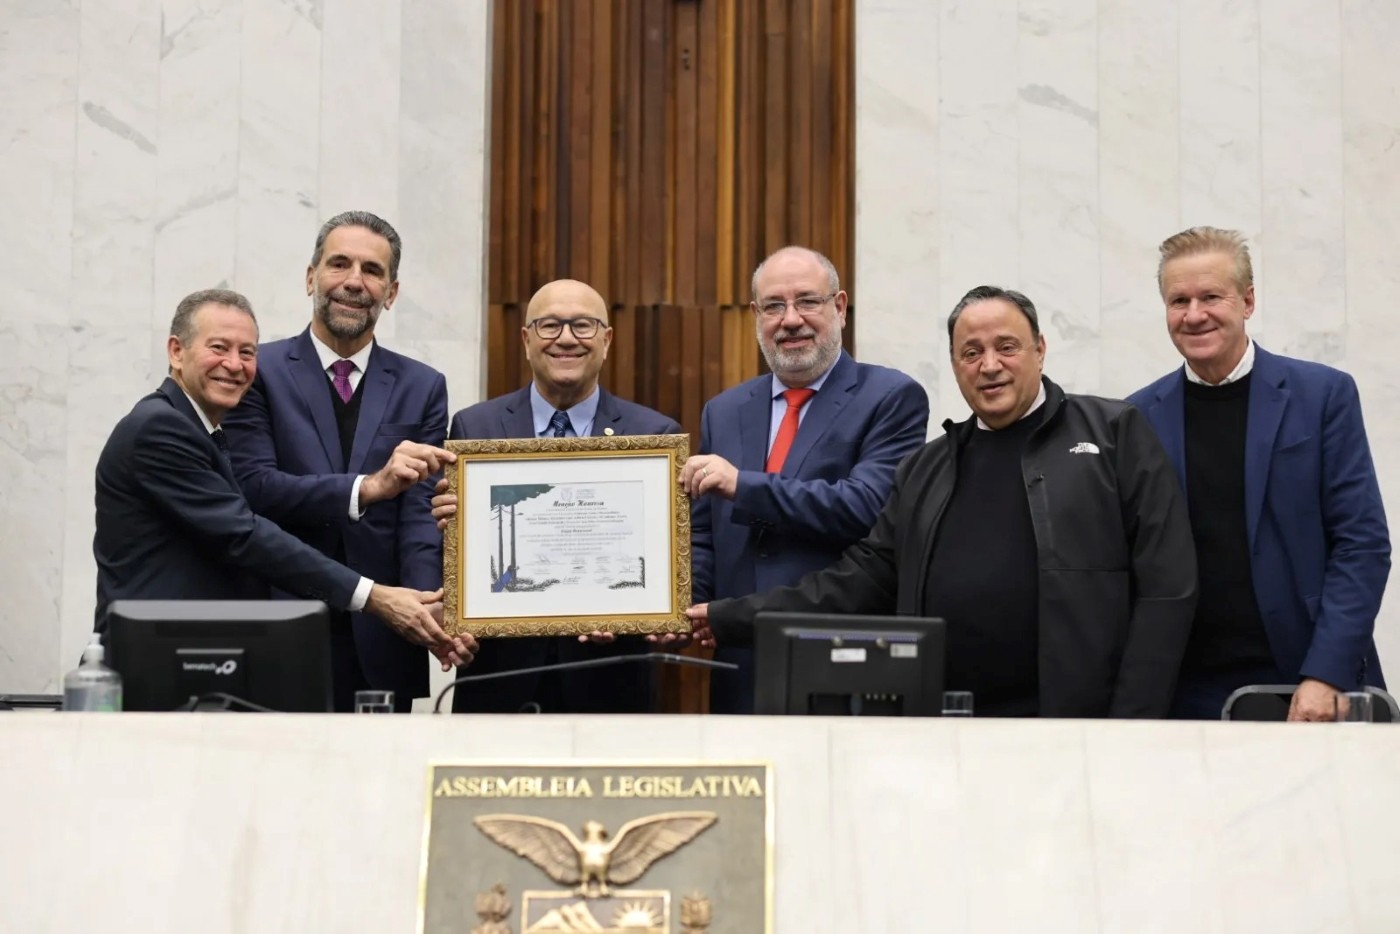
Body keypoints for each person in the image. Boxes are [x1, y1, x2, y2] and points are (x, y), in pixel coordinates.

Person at [678, 285, 1198, 718]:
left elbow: (1167, 585)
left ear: (1040, 348)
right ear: (954, 364)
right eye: (971, 353)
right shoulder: (927, 468)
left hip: (1080, 724)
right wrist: (727, 617)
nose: (989, 365)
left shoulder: (1112, 433)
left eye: (1007, 347)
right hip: (945, 727)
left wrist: (1134, 719)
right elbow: (857, 583)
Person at [93, 289, 475, 684]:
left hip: (195, 659)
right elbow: (243, 535)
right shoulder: (160, 428)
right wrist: (375, 596)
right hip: (155, 663)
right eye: (219, 348)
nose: (234, 365)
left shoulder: (202, 430)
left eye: (247, 352)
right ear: (176, 351)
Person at [1128, 226, 1390, 721]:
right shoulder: (1136, 417)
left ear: (1247, 302)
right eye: (1178, 300)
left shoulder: (1322, 396)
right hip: (1183, 698)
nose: (1194, 314)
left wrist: (1326, 673)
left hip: (1307, 684)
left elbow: (1363, 545)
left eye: (1211, 296)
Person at [221, 211, 454, 712]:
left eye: (372, 270)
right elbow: (255, 489)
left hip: (384, 638)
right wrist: (366, 487)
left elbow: (419, 515)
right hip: (280, 627)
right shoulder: (258, 372)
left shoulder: (423, 386)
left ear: (390, 293)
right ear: (311, 278)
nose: (354, 281)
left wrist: (425, 608)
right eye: (339, 264)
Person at [681, 246, 929, 713]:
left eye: (807, 301)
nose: (790, 319)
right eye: (774, 305)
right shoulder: (724, 410)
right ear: (756, 316)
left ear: (839, 307)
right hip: (739, 662)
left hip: (841, 660)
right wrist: (680, 609)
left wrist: (744, 485)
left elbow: (867, 507)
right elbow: (703, 536)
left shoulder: (891, 397)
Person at [431, 279, 682, 714]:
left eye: (583, 326)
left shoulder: (655, 437)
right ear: (526, 340)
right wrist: (453, 534)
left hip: (611, 683)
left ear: (606, 340)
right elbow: (458, 556)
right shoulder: (475, 428)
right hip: (499, 681)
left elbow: (667, 560)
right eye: (549, 326)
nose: (566, 338)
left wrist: (629, 612)